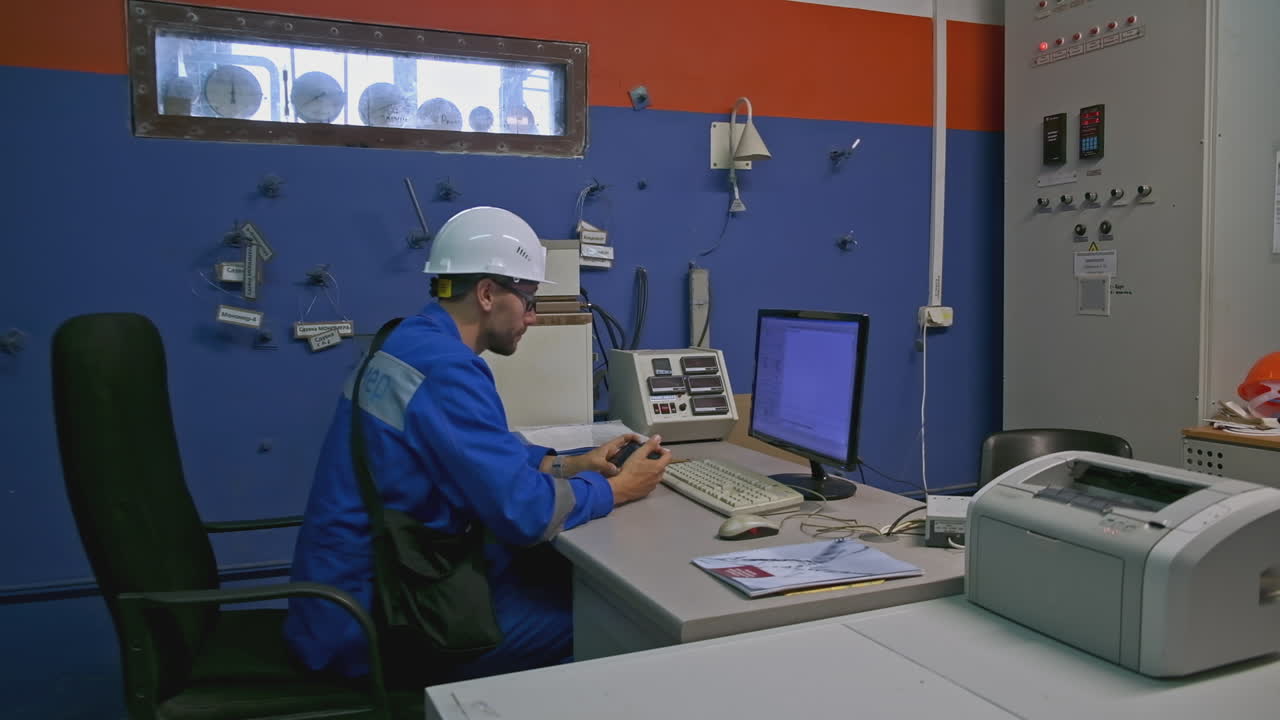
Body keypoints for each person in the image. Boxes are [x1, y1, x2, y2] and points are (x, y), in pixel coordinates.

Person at [283, 206, 672, 683]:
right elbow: (524, 515)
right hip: (378, 617)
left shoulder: (408, 340)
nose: (531, 317)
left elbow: (476, 453)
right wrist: (618, 489)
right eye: (529, 300)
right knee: (622, 627)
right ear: (488, 293)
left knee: (562, 584)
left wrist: (568, 464)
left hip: (357, 589)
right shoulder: (448, 368)